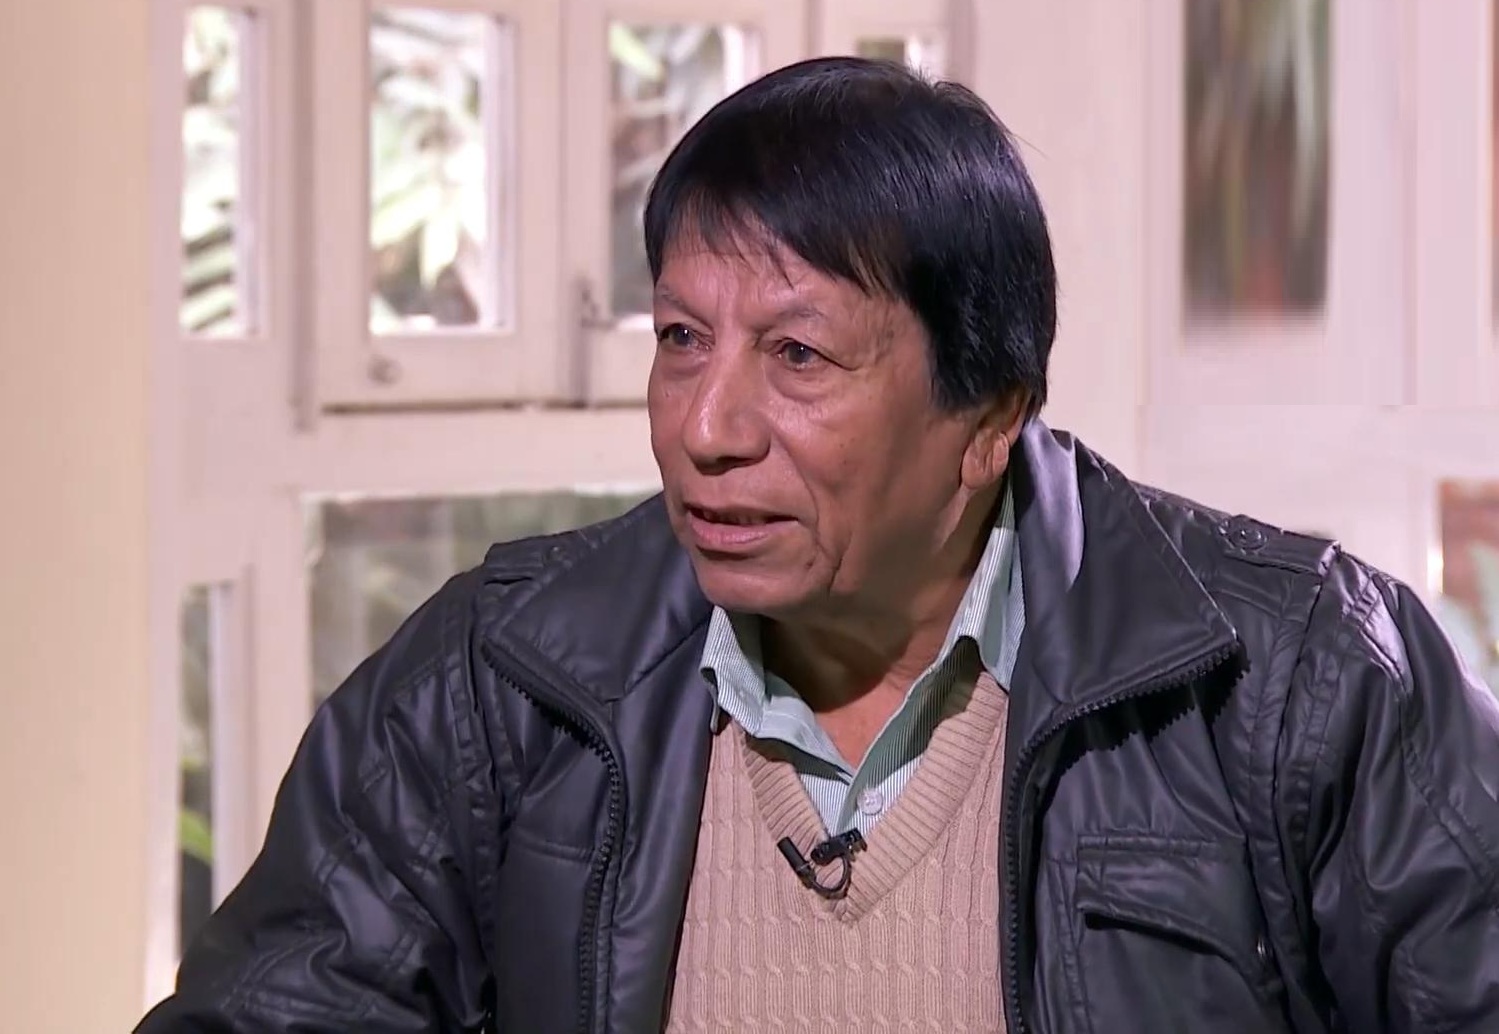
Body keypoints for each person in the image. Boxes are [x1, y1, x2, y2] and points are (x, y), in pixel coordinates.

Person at [138, 57, 1499, 1034]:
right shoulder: (498, 686)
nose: (706, 427)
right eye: (681, 339)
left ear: (991, 415)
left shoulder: (1305, 685)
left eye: (797, 354)